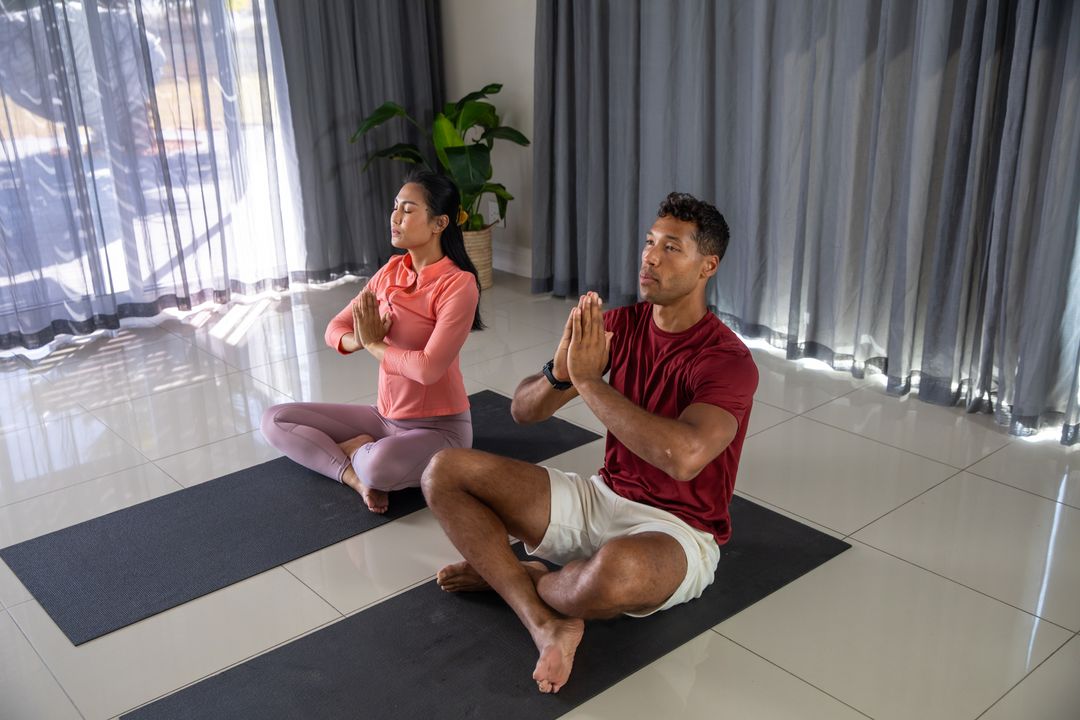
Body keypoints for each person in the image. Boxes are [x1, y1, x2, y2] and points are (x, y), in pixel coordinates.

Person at [421, 192, 757, 693]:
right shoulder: (617, 327)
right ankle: (543, 618)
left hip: (678, 530)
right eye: (649, 242)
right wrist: (562, 374)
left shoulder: (727, 360)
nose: (649, 257)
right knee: (442, 471)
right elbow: (523, 411)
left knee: (616, 572)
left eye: (671, 248)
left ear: (708, 264)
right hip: (601, 496)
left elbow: (682, 458)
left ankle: (513, 574)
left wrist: (591, 383)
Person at [262, 171, 482, 513]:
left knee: (379, 465)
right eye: (396, 207)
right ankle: (354, 475)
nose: (395, 217)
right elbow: (335, 327)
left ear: (439, 223)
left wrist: (374, 344)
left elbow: (428, 369)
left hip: (440, 429)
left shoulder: (458, 284)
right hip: (384, 418)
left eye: (408, 210)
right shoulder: (391, 270)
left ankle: (362, 457)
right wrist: (358, 341)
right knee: (275, 419)